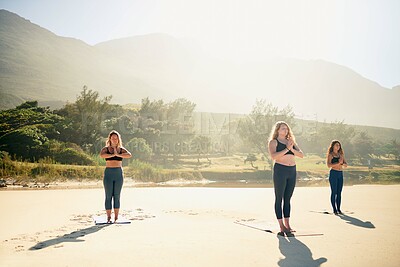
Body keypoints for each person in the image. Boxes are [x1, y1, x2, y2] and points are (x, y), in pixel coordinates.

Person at [268, 121, 304, 235]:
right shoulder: (273, 142)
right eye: (283, 128)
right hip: (280, 171)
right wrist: (286, 149)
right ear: (277, 130)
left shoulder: (291, 142)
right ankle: (281, 225)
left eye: (286, 128)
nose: (285, 130)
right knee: (279, 198)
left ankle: (288, 224)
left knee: (287, 198)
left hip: (292, 171)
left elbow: (301, 155)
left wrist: (291, 148)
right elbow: (273, 156)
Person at [100, 130, 132, 223]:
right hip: (109, 173)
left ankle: (116, 217)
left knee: (117, 196)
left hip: (118, 173)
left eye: (116, 138)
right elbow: (102, 155)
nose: (114, 139)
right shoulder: (106, 149)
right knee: (108, 196)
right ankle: (109, 217)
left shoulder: (121, 149)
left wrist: (117, 154)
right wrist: (112, 154)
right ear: (110, 139)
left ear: (118, 139)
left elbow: (129, 155)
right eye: (112, 138)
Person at [326, 140, 347, 215]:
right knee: (334, 192)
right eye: (336, 145)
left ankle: (339, 209)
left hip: (340, 174)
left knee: (339, 193)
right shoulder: (330, 155)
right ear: (333, 146)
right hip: (333, 174)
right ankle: (334, 209)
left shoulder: (341, 155)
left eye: (339, 145)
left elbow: (345, 164)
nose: (338, 146)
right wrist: (338, 163)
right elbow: (328, 165)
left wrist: (343, 164)